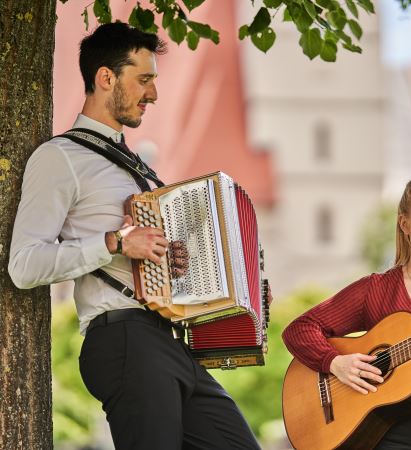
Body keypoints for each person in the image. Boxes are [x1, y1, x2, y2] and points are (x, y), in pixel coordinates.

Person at [9, 22, 260, 450]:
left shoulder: (137, 167)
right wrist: (114, 242)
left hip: (168, 343)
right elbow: (24, 265)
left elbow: (151, 260)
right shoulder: (60, 158)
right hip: (122, 338)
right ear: (106, 77)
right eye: (143, 80)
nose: (153, 94)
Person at [282, 174, 411, 450]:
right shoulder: (375, 289)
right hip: (388, 431)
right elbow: (298, 330)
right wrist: (335, 363)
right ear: (404, 223)